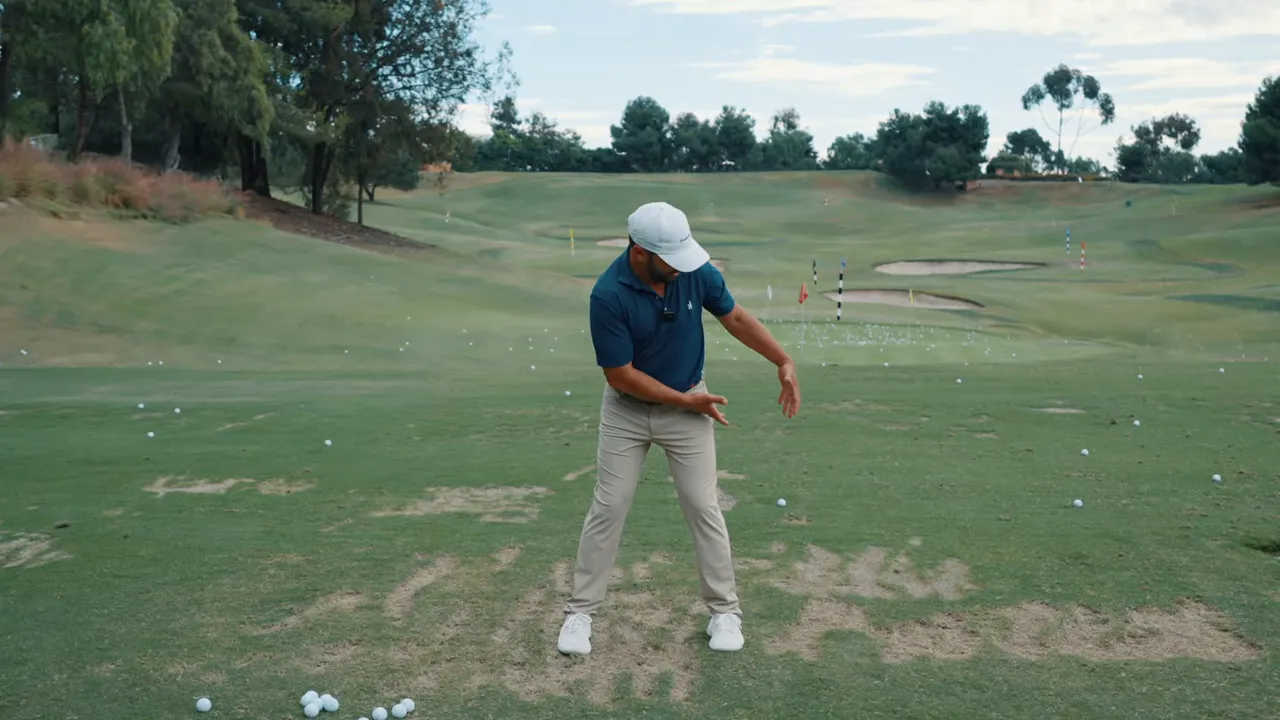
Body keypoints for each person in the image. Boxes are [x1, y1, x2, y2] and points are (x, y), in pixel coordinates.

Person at [557, 201, 800, 656]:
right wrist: (683, 400)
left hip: (690, 404)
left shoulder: (693, 271)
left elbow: (737, 318)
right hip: (629, 411)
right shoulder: (607, 295)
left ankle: (725, 612)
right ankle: (580, 613)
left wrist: (782, 360)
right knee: (609, 507)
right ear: (639, 252)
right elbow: (620, 375)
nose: (680, 267)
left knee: (703, 505)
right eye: (670, 259)